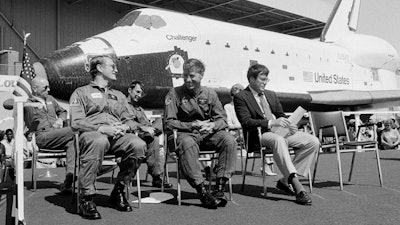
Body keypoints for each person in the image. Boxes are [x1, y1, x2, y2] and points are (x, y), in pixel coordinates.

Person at [69, 55, 147, 219]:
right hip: (92, 134)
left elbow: (129, 120)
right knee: (99, 140)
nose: (116, 69)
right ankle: (86, 198)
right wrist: (102, 128)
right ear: (99, 68)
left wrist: (125, 126)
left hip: (117, 136)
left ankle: (118, 190)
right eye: (112, 66)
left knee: (138, 145)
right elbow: (76, 122)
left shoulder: (118, 95)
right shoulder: (81, 92)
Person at [234, 63, 319, 205]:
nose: (265, 83)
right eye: (262, 79)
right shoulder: (241, 97)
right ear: (251, 79)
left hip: (281, 132)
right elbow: (246, 122)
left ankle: (285, 181)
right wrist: (271, 123)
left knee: (313, 141)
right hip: (260, 135)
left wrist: (291, 124)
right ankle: (298, 187)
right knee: (278, 140)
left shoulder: (271, 95)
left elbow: (281, 115)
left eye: (267, 79)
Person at [164, 58, 237, 209]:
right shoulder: (174, 93)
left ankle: (220, 187)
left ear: (201, 75)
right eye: (185, 76)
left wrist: (212, 125)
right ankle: (202, 191)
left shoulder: (210, 94)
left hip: (207, 133)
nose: (188, 79)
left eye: (191, 76)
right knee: (187, 143)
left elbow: (222, 119)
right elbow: (168, 122)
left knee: (229, 140)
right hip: (185, 134)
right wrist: (192, 125)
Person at [23, 77, 76, 192]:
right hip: (41, 137)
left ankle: (69, 179)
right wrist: (22, 103)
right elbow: (7, 103)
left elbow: (62, 111)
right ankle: (93, 168)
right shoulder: (27, 101)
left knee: (72, 143)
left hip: (56, 136)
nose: (49, 89)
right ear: (35, 88)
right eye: (45, 87)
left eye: (48, 87)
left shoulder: (50, 99)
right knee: (77, 129)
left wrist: (60, 120)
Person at [126, 80, 173, 188]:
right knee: (154, 139)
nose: (139, 95)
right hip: (132, 135)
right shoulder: (122, 105)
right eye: (137, 92)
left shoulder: (139, 108)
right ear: (129, 90)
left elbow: (146, 122)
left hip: (145, 133)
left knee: (164, 121)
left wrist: (150, 127)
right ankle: (157, 177)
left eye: (141, 93)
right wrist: (144, 128)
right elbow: (126, 122)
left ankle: (157, 177)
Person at [225, 83, 277, 176]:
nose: (235, 97)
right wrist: (243, 125)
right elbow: (229, 125)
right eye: (233, 95)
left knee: (264, 134)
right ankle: (267, 164)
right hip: (236, 132)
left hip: (250, 130)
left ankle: (267, 164)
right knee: (259, 135)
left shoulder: (246, 106)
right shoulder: (228, 107)